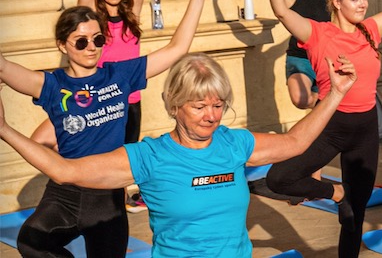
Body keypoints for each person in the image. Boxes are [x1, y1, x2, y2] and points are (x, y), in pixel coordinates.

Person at [0, 51, 354, 256]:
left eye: (218, 105)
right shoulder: (149, 157)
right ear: (175, 105)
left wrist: (336, 94)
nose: (211, 115)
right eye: (200, 106)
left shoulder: (234, 143)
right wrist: (4, 130)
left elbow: (294, 142)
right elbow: (65, 171)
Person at [0, 0, 206, 258]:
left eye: (97, 39)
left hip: (107, 196)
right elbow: (4, 69)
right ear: (63, 45)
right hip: (65, 194)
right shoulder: (52, 85)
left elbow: (176, 49)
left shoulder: (120, 75)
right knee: (31, 242)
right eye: (80, 42)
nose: (91, 47)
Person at [254, 0, 382, 255]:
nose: (363, 4)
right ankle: (335, 193)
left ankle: (347, 208)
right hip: (329, 125)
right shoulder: (317, 34)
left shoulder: (370, 30)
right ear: (336, 2)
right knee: (280, 178)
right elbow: (281, 10)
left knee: (355, 216)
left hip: (364, 128)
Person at [249, 0, 379, 111]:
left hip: (326, 55)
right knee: (301, 99)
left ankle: (324, 113)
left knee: (334, 101)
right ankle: (322, 104)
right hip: (300, 57)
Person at [76, 0, 148, 144]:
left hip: (131, 101)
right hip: (101, 101)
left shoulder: (132, 13)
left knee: (127, 162)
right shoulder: (92, 16)